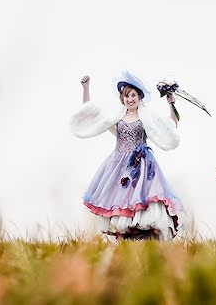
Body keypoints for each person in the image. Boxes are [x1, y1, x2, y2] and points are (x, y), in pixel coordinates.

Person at [70, 70, 184, 240]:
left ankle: (145, 235)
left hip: (142, 166)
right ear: (122, 98)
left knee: (145, 200)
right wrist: (86, 88)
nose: (130, 99)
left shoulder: (147, 117)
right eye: (126, 96)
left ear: (139, 97)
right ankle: (124, 235)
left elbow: (171, 125)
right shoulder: (117, 116)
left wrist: (171, 104)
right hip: (119, 165)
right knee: (120, 200)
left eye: (133, 95)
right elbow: (93, 114)